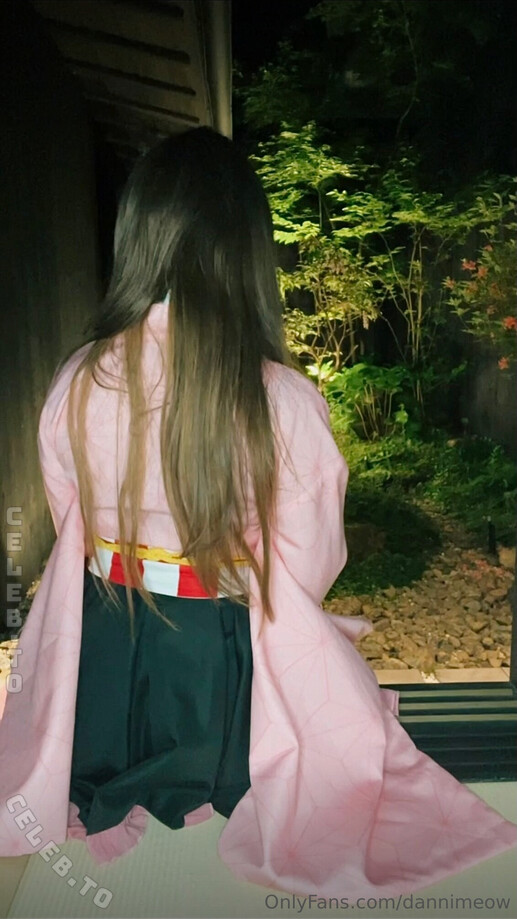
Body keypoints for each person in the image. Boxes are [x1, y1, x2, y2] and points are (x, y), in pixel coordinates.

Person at [0, 127, 515, 901]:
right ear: (246, 251)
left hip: (104, 645)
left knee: (93, 761)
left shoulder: (77, 375)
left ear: (135, 236)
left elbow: (64, 505)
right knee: (313, 739)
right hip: (217, 658)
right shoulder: (278, 397)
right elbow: (310, 555)